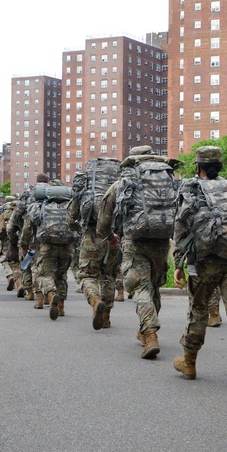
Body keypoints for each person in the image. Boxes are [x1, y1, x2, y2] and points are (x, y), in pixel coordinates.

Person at [172, 146, 227, 391]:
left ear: (198, 166)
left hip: (205, 262)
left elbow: (181, 227)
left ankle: (189, 362)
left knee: (198, 310)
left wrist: (178, 264)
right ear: (220, 166)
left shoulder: (192, 189)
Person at [96, 145, 181, 359]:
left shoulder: (124, 182)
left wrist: (107, 236)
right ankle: (145, 331)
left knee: (141, 287)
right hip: (161, 241)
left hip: (134, 241)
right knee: (153, 287)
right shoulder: (168, 180)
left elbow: (104, 215)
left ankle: (150, 332)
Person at [68, 168, 118, 331]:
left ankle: (95, 300)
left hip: (91, 236)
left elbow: (71, 217)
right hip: (114, 239)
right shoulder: (118, 185)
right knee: (109, 276)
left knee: (87, 275)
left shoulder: (84, 189)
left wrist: (78, 228)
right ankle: (106, 318)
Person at [21, 180, 76, 319]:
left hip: (47, 246)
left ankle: (51, 295)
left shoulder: (39, 206)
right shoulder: (71, 206)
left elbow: (27, 228)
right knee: (61, 276)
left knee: (44, 275)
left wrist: (24, 244)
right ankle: (61, 306)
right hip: (67, 246)